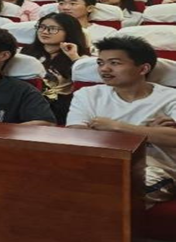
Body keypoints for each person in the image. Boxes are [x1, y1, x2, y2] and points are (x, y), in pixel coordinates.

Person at [66, 36, 176, 206]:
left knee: (121, 191)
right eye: (100, 63)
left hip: (153, 169)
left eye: (115, 63)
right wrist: (149, 133)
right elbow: (77, 136)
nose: (104, 69)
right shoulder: (87, 95)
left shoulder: (171, 97)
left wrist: (115, 127)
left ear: (143, 68)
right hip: (100, 164)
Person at [21, 13, 89, 124]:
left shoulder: (81, 59)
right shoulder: (26, 52)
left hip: (57, 107)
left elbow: (84, 84)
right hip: (25, 102)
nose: (44, 32)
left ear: (69, 32)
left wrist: (74, 57)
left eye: (52, 29)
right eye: (42, 27)